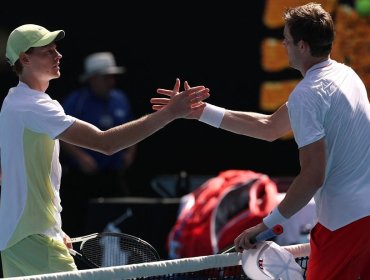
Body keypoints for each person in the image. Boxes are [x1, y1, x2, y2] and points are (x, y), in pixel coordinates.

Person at [153, 3, 370, 279]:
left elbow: (313, 175)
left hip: (344, 226)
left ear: (302, 46)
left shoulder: (309, 94)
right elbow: (269, 127)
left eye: (287, 40)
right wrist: (201, 113)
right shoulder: (346, 75)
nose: (283, 44)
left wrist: (267, 225)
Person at [0, 24, 209, 277]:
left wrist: (54, 227)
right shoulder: (31, 106)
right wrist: (171, 113)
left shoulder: (15, 102)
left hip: (25, 238)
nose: (59, 56)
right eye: (48, 51)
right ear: (25, 58)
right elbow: (106, 143)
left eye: (56, 49)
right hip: (32, 239)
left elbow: (8, 174)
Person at [60, 52, 136, 237]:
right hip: (83, 180)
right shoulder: (76, 102)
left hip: (113, 176)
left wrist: (129, 153)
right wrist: (81, 157)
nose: (111, 82)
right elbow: (59, 133)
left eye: (112, 77)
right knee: (79, 225)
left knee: (124, 220)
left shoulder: (120, 98)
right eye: (106, 77)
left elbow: (133, 126)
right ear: (92, 79)